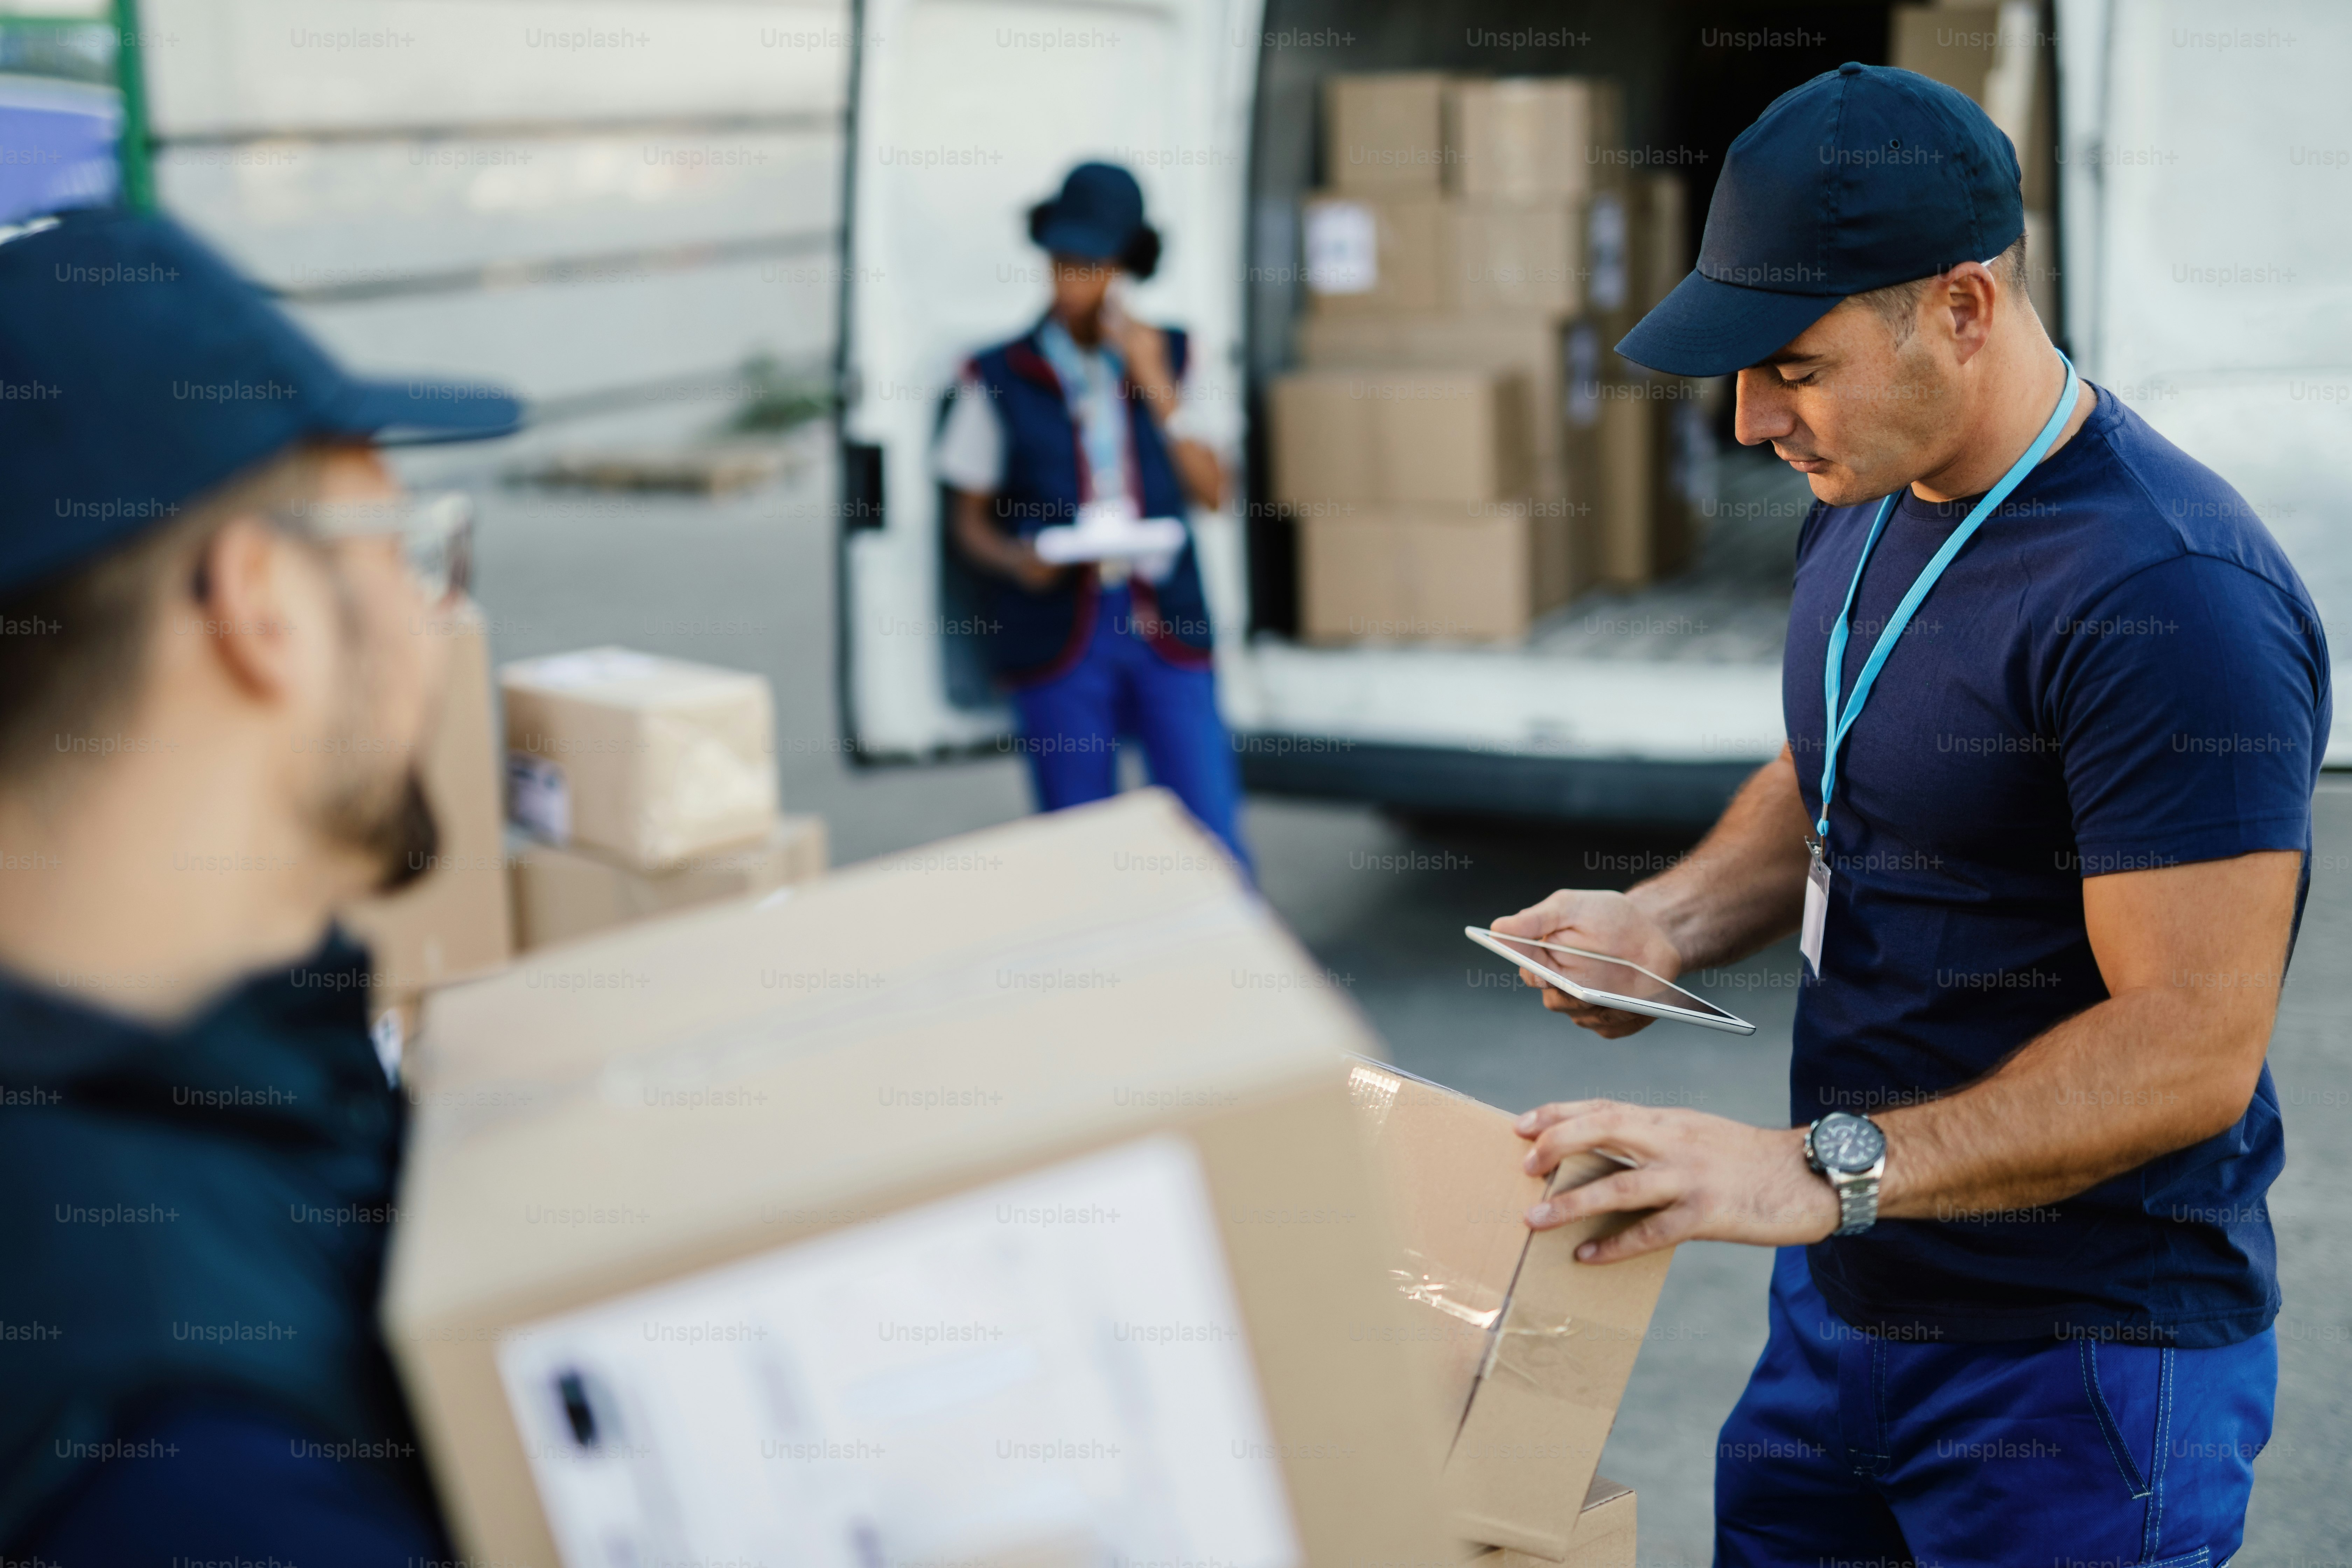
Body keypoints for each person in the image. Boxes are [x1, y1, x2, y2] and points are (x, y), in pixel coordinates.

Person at [1491, 64, 2327, 1566]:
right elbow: (1843, 763)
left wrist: (1811, 1171)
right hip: (1849, 1295)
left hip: (2074, 1357)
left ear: (1959, 309)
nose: (1752, 419)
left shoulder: (2172, 597)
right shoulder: (1872, 485)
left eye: (1796, 366)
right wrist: (1665, 921)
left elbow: (2191, 1047)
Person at [0, 209, 521, 1563]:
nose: (430, 620)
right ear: (261, 606)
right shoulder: (192, 1462)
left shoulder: (189, 1128)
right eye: (402, 554)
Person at [935, 161, 1250, 869]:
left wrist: (1156, 383)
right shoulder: (998, 373)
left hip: (1165, 621)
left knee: (1211, 832)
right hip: (1060, 636)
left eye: (1090, 264)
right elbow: (968, 521)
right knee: (1079, 843)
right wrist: (1018, 559)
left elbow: (1215, 491)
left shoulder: (1178, 354)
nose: (1072, 281)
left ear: (1123, 267)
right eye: (1061, 262)